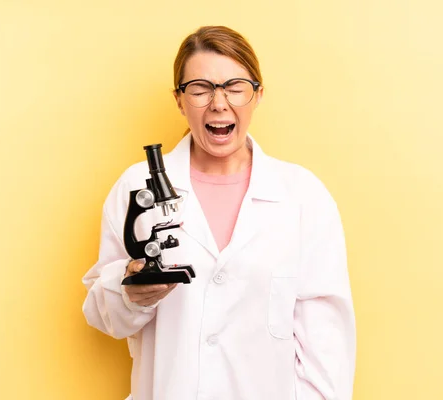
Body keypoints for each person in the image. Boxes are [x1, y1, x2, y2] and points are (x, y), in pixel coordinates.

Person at [82, 25, 356, 400]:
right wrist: (131, 294)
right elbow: (102, 315)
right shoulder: (137, 188)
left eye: (235, 86)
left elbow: (327, 342)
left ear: (257, 95)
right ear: (179, 100)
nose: (219, 102)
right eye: (199, 88)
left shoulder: (303, 195)